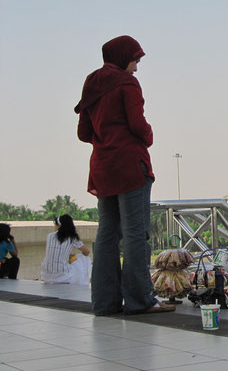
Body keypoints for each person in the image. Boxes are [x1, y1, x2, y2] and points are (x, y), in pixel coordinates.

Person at [76, 35, 174, 315]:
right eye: (135, 60)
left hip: (102, 168)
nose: (136, 67)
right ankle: (139, 300)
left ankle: (104, 302)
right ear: (122, 58)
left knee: (107, 235)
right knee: (134, 235)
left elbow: (83, 133)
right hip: (130, 165)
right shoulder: (126, 83)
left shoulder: (92, 82)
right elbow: (137, 124)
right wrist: (149, 134)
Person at [41, 215, 91, 285]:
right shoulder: (72, 238)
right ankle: (83, 283)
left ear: (59, 226)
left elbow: (56, 251)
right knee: (83, 258)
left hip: (46, 276)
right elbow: (86, 252)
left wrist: (68, 254)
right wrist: (75, 256)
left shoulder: (50, 236)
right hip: (63, 276)